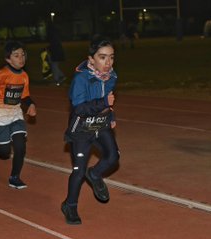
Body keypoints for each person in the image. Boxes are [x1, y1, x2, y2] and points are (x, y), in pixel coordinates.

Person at [61, 35, 120, 225]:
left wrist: (110, 116)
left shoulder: (112, 77)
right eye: (102, 57)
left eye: (111, 57)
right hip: (82, 130)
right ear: (91, 59)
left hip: (100, 124)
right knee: (78, 171)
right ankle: (70, 205)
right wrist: (104, 103)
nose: (108, 62)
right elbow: (79, 108)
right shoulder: (80, 79)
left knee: (113, 158)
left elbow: (108, 102)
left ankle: (94, 174)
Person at [0, 41, 37, 189]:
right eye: (16, 55)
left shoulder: (24, 76)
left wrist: (31, 104)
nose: (21, 58)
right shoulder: (1, 74)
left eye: (23, 55)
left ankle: (14, 177)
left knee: (20, 147)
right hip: (0, 116)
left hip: (16, 115)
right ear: (8, 59)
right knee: (4, 152)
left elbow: (24, 96)